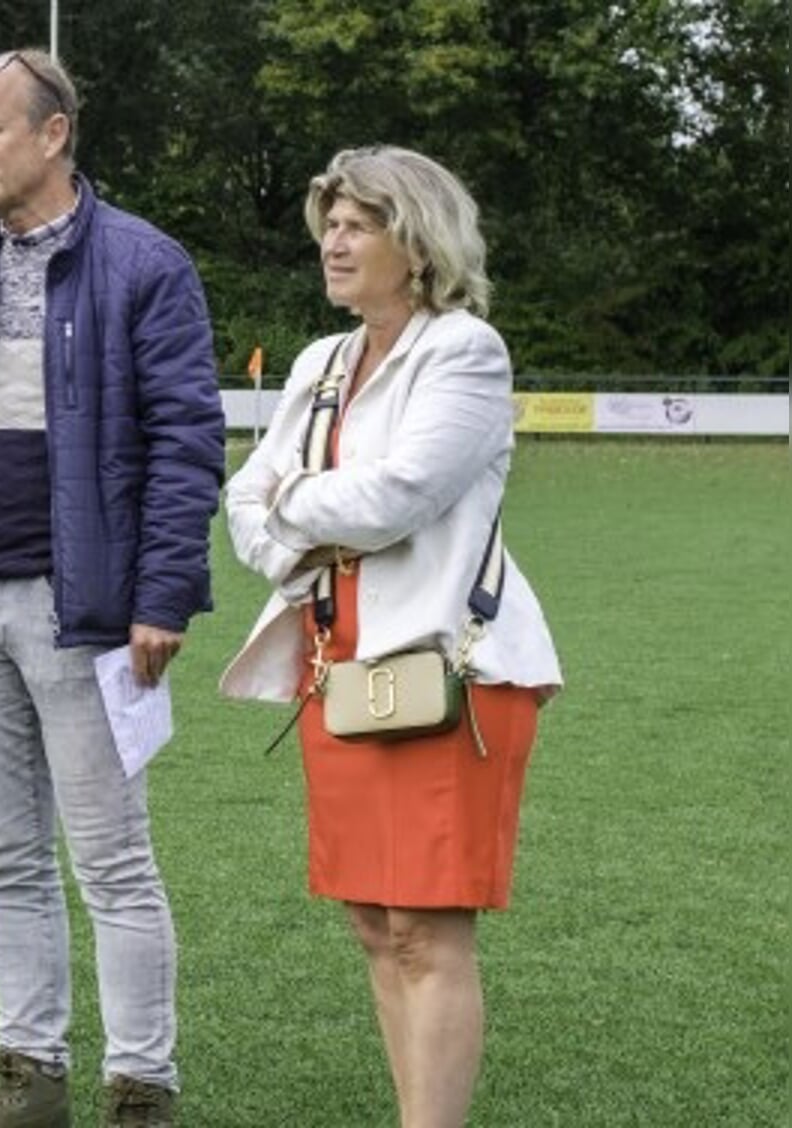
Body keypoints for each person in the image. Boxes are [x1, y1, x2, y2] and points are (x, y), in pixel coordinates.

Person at [0, 47, 226, 1128]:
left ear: (53, 132)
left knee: (113, 858)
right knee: (4, 855)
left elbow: (186, 438)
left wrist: (163, 593)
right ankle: (29, 1082)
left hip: (88, 608)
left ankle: (141, 1091)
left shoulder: (142, 262)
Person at [220, 146, 562, 1128]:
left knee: (426, 933)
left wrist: (295, 502)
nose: (335, 239)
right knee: (376, 926)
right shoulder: (319, 363)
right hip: (338, 672)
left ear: (416, 241)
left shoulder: (464, 350)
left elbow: (398, 497)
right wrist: (291, 509)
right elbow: (247, 499)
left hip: (445, 671)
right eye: (330, 222)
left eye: (358, 222)